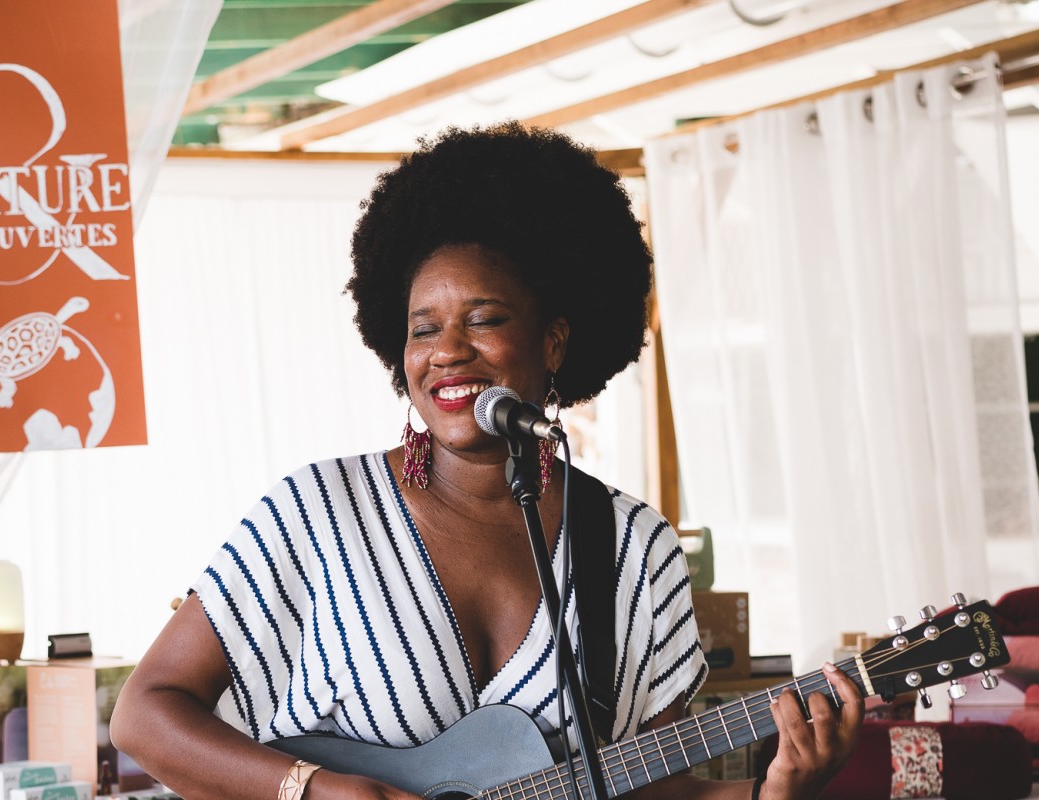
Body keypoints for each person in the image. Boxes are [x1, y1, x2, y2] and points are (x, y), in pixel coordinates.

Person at [110, 122, 862, 800]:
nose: (446, 352)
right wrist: (316, 790)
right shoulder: (316, 513)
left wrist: (777, 793)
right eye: (423, 328)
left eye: (484, 319)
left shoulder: (633, 546)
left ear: (555, 341)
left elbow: (648, 791)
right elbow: (144, 717)